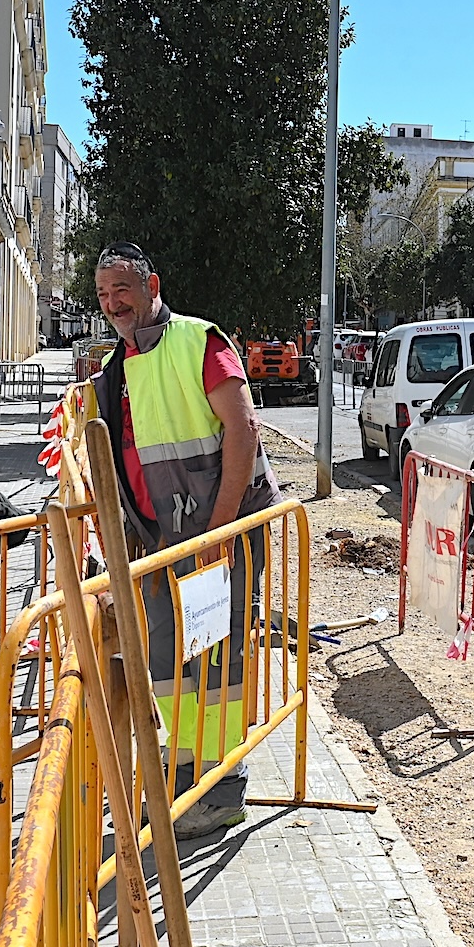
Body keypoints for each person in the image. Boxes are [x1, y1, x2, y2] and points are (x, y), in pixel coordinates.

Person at [91, 241, 280, 839]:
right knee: (169, 661)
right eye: (102, 295)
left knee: (216, 663)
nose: (113, 303)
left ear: (152, 282)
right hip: (160, 542)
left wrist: (219, 533)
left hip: (219, 535)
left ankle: (221, 789)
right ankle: (184, 771)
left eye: (122, 289)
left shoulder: (201, 341)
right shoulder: (115, 368)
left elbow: (242, 431)